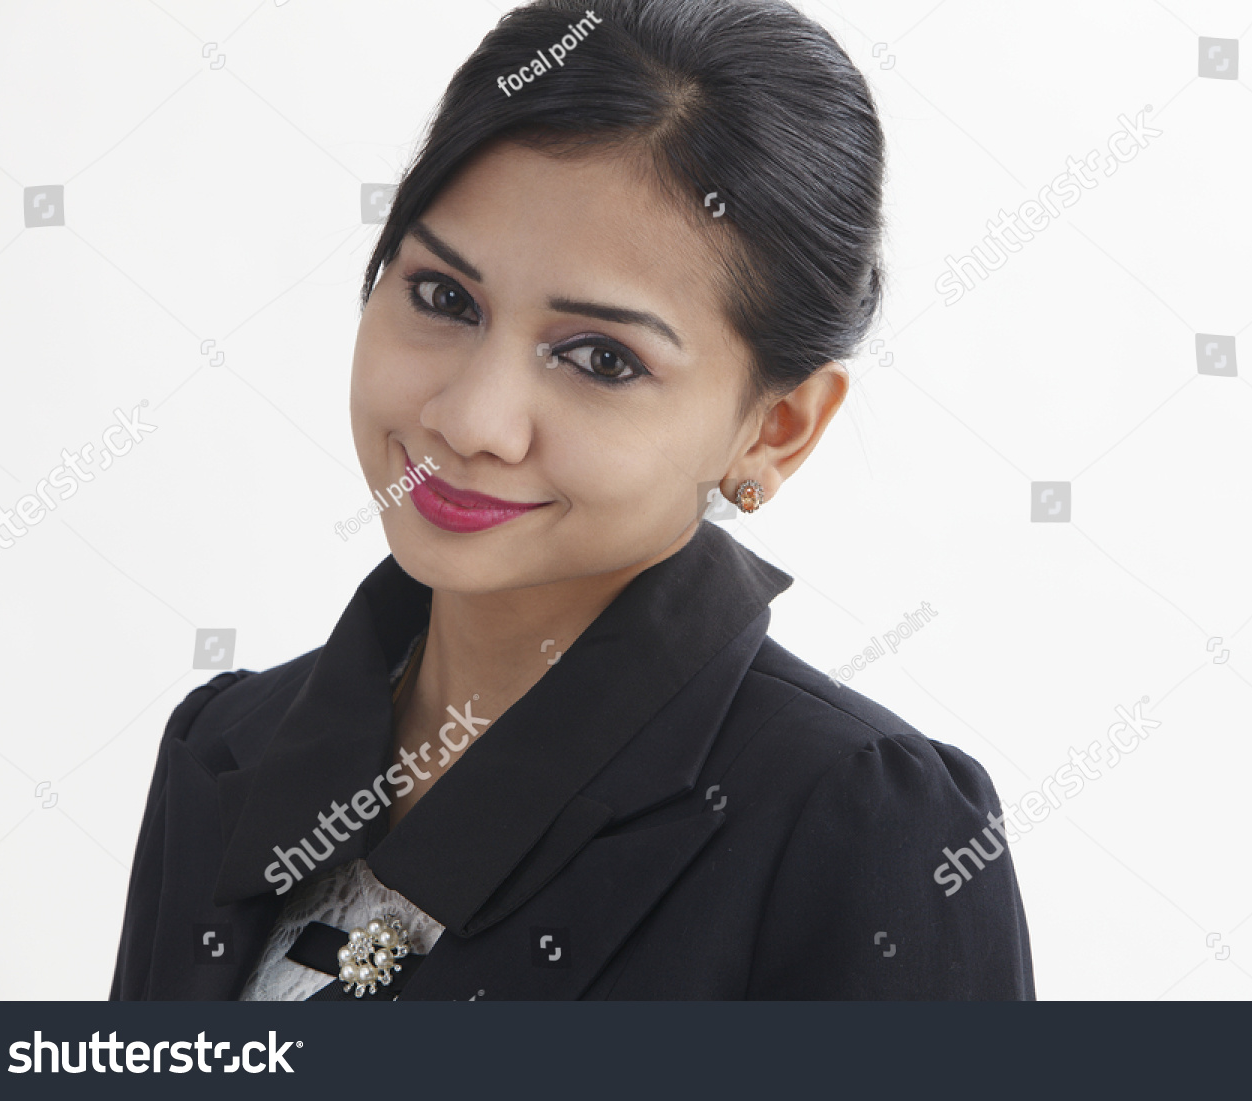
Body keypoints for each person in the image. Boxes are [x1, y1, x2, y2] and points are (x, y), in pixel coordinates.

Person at [110, 0, 1035, 1000]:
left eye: (600, 358)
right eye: (443, 297)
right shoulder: (229, 746)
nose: (474, 421)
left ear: (776, 428)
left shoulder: (857, 828)